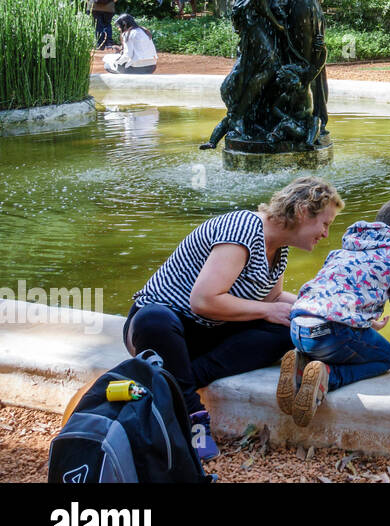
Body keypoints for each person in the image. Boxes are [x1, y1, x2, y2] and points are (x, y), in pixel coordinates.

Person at [122, 177, 343, 460]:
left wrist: (336, 313)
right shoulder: (244, 228)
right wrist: (266, 311)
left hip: (207, 331)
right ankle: (193, 415)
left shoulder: (279, 249)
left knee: (285, 329)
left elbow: (272, 299)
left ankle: (177, 380)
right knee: (154, 320)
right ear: (302, 211)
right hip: (163, 328)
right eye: (325, 223)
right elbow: (203, 301)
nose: (325, 233)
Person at [277, 199, 390, 427]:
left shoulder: (343, 250)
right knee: (386, 357)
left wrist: (367, 321)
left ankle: (302, 364)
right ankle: (327, 377)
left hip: (298, 328)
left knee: (334, 339)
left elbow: (336, 294)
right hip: (331, 334)